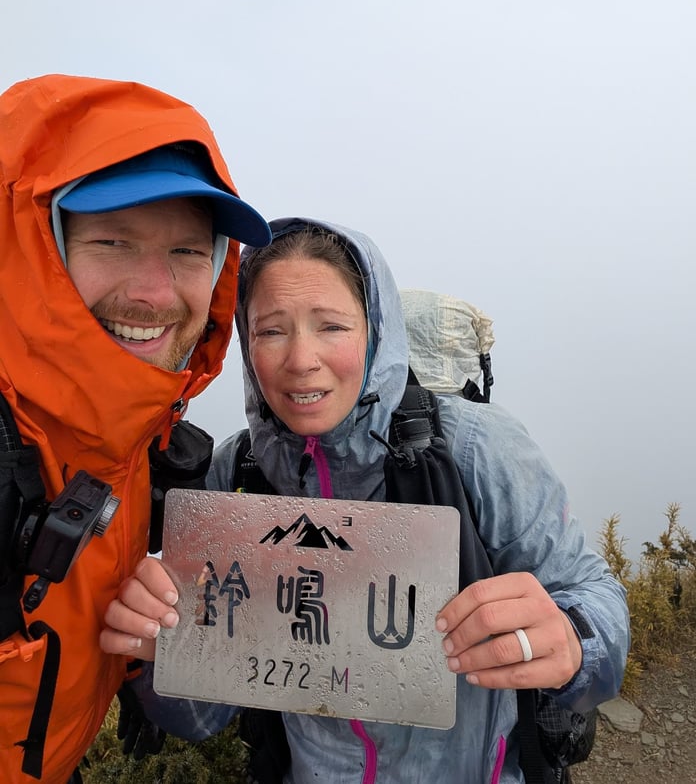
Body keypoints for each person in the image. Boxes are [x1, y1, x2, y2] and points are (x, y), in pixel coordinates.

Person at [102, 218, 631, 784]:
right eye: (270, 331)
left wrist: (573, 639)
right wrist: (157, 656)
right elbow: (205, 716)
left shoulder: (475, 447)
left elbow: (596, 600)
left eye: (331, 326)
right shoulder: (236, 476)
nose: (301, 359)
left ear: (377, 332)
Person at [0, 73, 272, 784]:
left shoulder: (136, 446)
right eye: (112, 241)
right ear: (29, 246)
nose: (155, 292)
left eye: (188, 252)